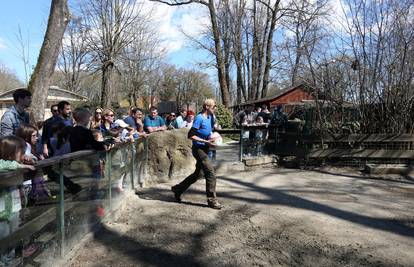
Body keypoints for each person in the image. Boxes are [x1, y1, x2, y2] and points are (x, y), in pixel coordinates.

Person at [171, 99, 222, 210]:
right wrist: (205, 141)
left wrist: (215, 135)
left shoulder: (211, 117)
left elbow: (210, 131)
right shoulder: (199, 118)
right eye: (214, 106)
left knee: (197, 174)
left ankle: (178, 189)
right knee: (210, 173)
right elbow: (190, 135)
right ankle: (212, 200)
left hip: (206, 147)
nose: (215, 108)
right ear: (207, 107)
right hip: (199, 148)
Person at [0, 135, 35, 265]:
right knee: (2, 243)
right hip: (1, 214)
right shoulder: (7, 165)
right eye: (21, 152)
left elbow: (33, 159)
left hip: (14, 210)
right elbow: (1, 164)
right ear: (10, 154)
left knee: (12, 241)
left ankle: (9, 262)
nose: (23, 155)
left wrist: (29, 159)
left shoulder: (15, 164)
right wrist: (18, 165)